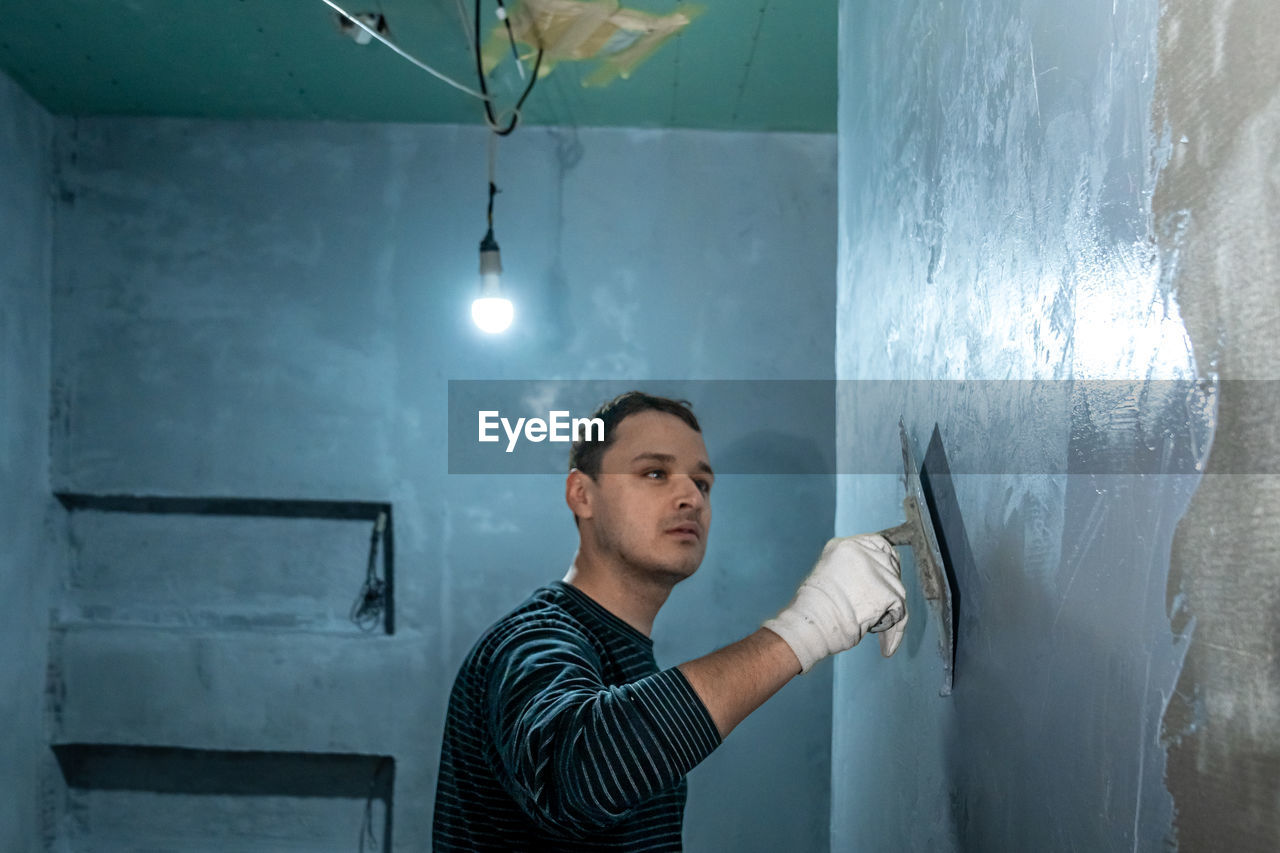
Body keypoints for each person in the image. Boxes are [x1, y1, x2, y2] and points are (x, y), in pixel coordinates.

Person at [433, 391, 908, 851]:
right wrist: (811, 626)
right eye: (655, 472)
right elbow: (575, 774)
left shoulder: (625, 658)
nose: (691, 497)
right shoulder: (531, 641)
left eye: (702, 483)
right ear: (582, 494)